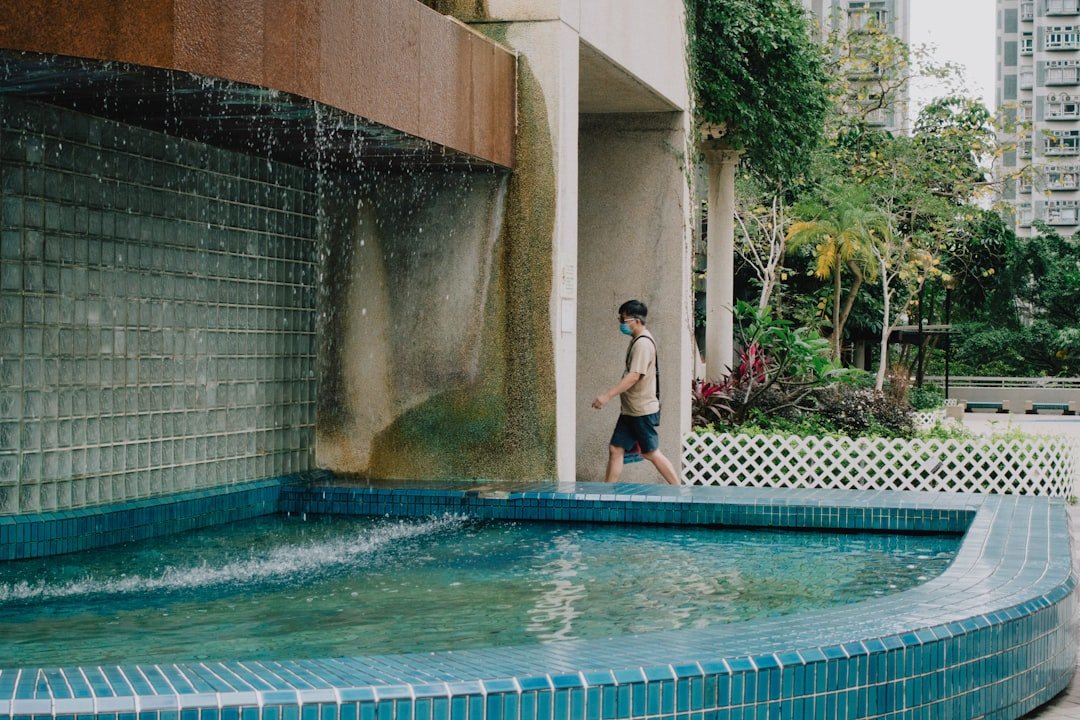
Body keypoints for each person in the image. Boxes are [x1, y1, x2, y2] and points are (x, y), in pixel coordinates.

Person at [590, 300, 680, 485]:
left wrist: (607, 396)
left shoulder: (643, 344)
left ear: (636, 320)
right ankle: (606, 492)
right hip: (631, 410)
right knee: (616, 448)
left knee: (651, 452)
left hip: (641, 410)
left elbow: (634, 376)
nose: (621, 324)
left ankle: (679, 489)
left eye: (624, 320)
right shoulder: (637, 341)